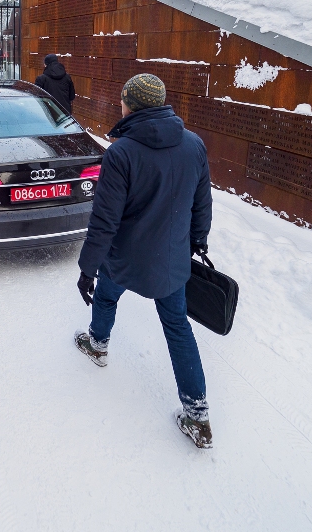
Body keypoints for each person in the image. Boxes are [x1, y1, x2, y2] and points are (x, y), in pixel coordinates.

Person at [73, 73, 215, 449]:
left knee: (105, 296)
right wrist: (197, 242)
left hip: (124, 258)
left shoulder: (121, 152)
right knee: (177, 327)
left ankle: (98, 344)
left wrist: (88, 268)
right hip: (171, 261)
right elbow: (202, 205)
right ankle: (198, 415)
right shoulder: (194, 145)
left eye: (122, 101)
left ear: (130, 105)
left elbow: (105, 221)